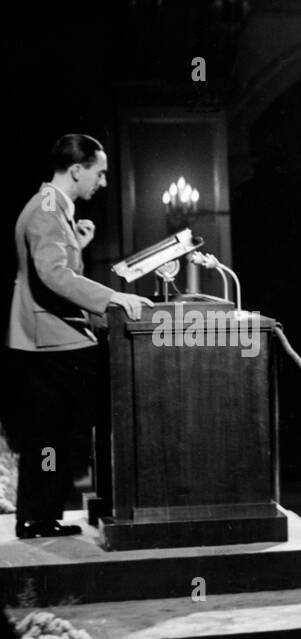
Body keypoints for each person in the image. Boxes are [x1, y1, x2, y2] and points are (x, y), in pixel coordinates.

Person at [6, 134, 151, 539]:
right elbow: (53, 275)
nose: (102, 182)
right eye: (99, 173)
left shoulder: (52, 208)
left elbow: (53, 265)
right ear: (76, 169)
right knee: (52, 434)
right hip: (53, 341)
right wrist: (111, 298)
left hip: (51, 339)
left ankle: (41, 516)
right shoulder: (48, 209)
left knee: (51, 433)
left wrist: (77, 246)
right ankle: (40, 517)